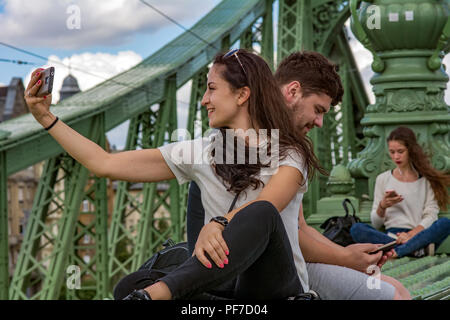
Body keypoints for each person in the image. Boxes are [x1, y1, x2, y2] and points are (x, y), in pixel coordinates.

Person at [25, 49, 329, 300]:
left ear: (241, 95)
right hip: (230, 298)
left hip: (275, 293)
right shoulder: (200, 152)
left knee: (261, 213)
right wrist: (46, 117)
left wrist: (219, 223)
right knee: (129, 286)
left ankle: (159, 294)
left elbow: (270, 204)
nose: (203, 100)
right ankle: (152, 294)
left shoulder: (290, 152)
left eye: (211, 89)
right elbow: (103, 163)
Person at [115, 52, 410, 299]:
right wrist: (345, 258)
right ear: (292, 91)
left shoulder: (287, 150)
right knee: (392, 293)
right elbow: (276, 224)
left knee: (394, 289)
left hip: (276, 271)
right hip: (248, 275)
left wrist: (348, 257)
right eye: (318, 110)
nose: (319, 123)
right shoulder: (227, 147)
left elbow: (295, 229)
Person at [351, 126, 450, 259]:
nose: (396, 156)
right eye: (392, 152)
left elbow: (431, 216)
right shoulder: (383, 179)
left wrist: (410, 235)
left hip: (418, 235)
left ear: (411, 150)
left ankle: (399, 251)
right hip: (391, 238)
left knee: (444, 223)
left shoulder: (426, 181)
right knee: (357, 229)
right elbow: (376, 223)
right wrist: (382, 206)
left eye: (400, 151)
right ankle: (413, 250)